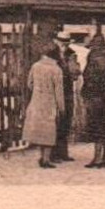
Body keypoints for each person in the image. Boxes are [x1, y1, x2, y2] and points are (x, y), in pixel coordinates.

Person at [22, 40, 64, 168]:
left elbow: (29, 84)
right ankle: (46, 159)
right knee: (49, 131)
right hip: (49, 103)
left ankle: (42, 157)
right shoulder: (56, 69)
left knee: (40, 130)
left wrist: (37, 91)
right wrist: (61, 107)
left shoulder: (36, 66)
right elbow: (59, 91)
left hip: (36, 102)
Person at [81, 31, 105, 169]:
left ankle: (97, 158)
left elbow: (90, 80)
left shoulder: (93, 59)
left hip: (96, 98)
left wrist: (85, 94)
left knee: (96, 128)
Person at [52, 36, 81, 163]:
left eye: (67, 42)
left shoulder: (71, 54)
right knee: (55, 122)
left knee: (66, 121)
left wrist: (74, 68)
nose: (65, 45)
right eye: (63, 42)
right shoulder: (51, 54)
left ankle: (63, 152)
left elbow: (76, 73)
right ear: (57, 42)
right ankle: (53, 154)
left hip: (68, 91)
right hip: (54, 92)